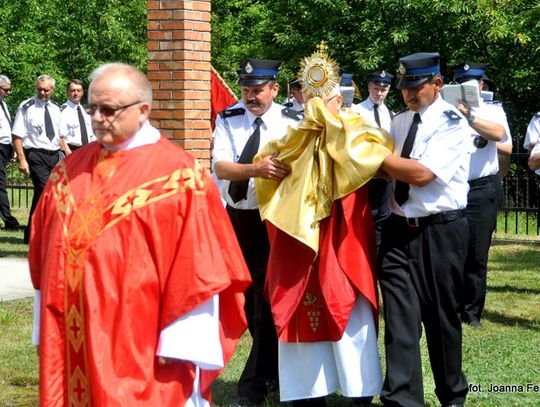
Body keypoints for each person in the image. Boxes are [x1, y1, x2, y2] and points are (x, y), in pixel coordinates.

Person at [28, 62, 251, 406]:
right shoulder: (67, 172)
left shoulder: (180, 178)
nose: (98, 118)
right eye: (93, 109)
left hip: (143, 341)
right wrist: (46, 321)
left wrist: (181, 344)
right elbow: (44, 253)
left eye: (109, 110)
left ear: (143, 110)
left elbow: (199, 269)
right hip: (74, 333)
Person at [255, 44, 393, 407]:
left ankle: (358, 388)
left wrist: (334, 126)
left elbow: (373, 156)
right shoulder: (291, 136)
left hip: (343, 236)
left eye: (327, 101)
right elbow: (266, 167)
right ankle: (306, 391)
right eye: (312, 100)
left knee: (349, 306)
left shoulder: (356, 130)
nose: (320, 108)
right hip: (301, 239)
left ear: (339, 99)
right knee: (303, 303)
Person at [377, 52, 471, 407]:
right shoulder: (400, 123)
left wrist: (370, 155)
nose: (409, 94)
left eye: (417, 87)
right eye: (405, 88)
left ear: (437, 84)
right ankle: (402, 399)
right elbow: (389, 170)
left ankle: (452, 395)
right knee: (399, 319)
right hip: (399, 229)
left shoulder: (450, 122)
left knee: (440, 319)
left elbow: (421, 174)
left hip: (440, 232)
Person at [212, 58, 301, 407]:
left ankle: (252, 387)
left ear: (275, 89)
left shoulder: (292, 122)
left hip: (274, 221)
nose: (251, 96)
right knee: (248, 301)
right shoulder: (228, 118)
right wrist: (256, 169)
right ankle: (272, 370)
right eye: (246, 90)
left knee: (268, 301)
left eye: (258, 90)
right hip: (238, 220)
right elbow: (221, 166)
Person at [452, 62, 512, 327]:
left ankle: (471, 312)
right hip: (453, 186)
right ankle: (451, 307)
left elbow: (500, 136)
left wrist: (471, 117)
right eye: (461, 83)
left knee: (476, 254)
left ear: (481, 85)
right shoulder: (446, 112)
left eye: (472, 83)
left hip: (480, 188)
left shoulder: (493, 111)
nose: (468, 88)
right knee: (452, 251)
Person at [12, 74, 62, 243]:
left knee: (41, 194)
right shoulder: (26, 107)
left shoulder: (56, 108)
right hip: (36, 154)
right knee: (48, 190)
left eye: (46, 90)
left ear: (52, 90)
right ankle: (48, 232)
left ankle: (30, 234)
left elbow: (59, 136)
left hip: (54, 155)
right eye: (39, 89)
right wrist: (22, 159)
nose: (42, 93)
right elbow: (17, 135)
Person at [352, 71, 395, 246]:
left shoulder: (391, 114)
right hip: (364, 176)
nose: (379, 93)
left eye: (383, 90)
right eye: (376, 88)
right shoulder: (356, 111)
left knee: (384, 217)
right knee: (365, 216)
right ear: (369, 87)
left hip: (384, 175)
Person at [0, 74, 21, 230]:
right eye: (6, 90)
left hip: (4, 147)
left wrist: (11, 149)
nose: (8, 93)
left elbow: (6, 129)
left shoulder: (3, 105)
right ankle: (9, 220)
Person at [58, 79, 95, 155]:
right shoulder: (63, 111)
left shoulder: (86, 110)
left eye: (78, 90)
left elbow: (92, 134)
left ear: (82, 92)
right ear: (68, 92)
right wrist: (69, 155)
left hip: (88, 151)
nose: (76, 93)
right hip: (72, 151)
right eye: (73, 90)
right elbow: (60, 137)